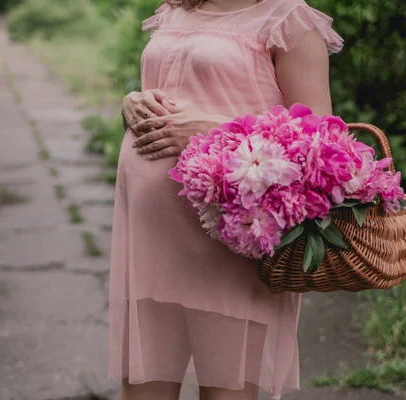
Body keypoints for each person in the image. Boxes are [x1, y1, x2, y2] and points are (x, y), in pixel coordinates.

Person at [108, 0, 343, 399]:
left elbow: (321, 138)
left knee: (226, 390)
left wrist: (219, 128)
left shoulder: (288, 19)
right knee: (142, 392)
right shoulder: (175, 9)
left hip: (226, 240)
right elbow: (170, 90)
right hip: (151, 236)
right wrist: (132, 100)